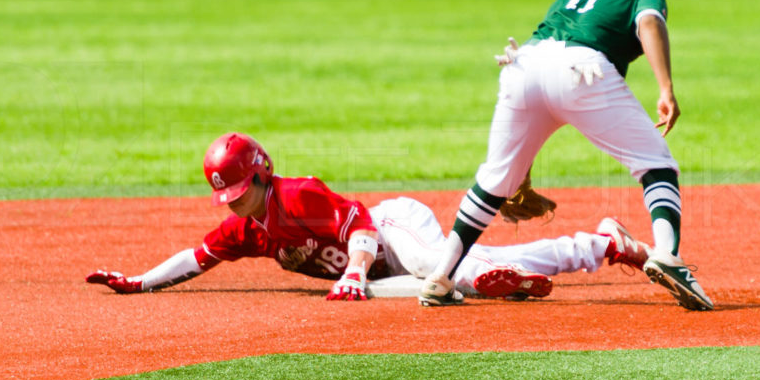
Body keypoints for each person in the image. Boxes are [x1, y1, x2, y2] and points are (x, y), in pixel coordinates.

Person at [419, 0, 713, 311]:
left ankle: (441, 277)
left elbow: (547, 67)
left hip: (521, 65)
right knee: (657, 164)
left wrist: (519, 165)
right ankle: (667, 254)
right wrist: (666, 88)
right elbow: (650, 22)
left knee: (495, 180)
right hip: (582, 70)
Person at [86, 132, 651, 300]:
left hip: (391, 229)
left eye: (238, 188)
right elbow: (196, 257)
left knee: (436, 265)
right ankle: (599, 245)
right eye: (225, 195)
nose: (232, 201)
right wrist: (139, 282)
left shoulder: (297, 194)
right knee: (452, 285)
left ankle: (593, 245)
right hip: (378, 275)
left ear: (261, 174)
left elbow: (358, 223)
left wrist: (354, 271)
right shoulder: (246, 229)